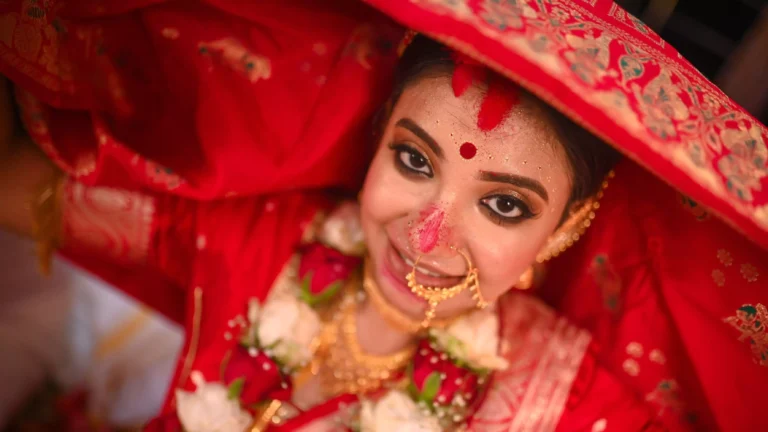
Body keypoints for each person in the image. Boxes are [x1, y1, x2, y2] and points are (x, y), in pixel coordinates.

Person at [0, 0, 766, 431]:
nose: (425, 236)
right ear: (377, 139)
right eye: (413, 160)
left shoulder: (564, 404)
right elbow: (25, 185)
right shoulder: (266, 240)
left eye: (503, 204)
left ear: (565, 229)